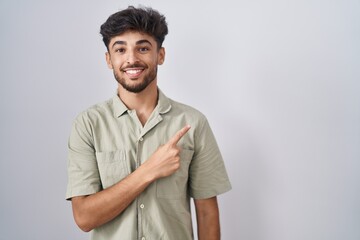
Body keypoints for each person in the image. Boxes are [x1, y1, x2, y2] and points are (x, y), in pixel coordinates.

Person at [66, 6, 231, 240]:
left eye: (143, 48)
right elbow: (84, 218)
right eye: (120, 49)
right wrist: (148, 171)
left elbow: (206, 214)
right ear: (108, 59)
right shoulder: (88, 124)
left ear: (160, 55)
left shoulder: (193, 123)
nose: (131, 59)